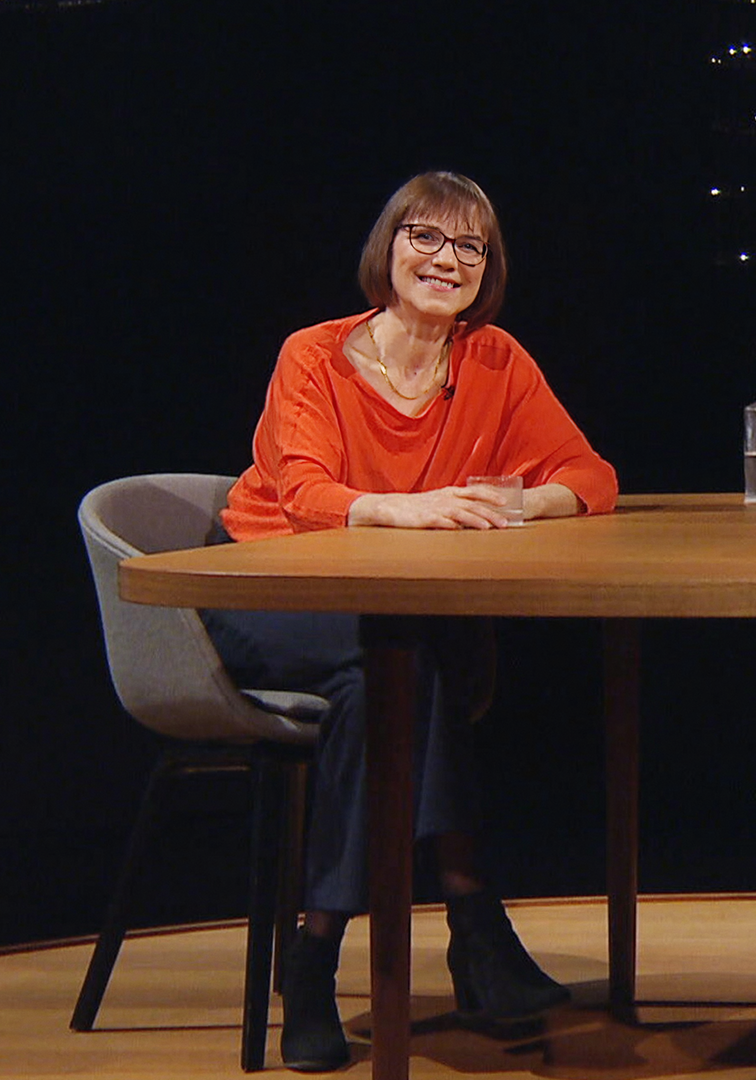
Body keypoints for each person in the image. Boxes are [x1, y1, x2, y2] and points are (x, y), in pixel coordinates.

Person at [205, 171, 618, 1072]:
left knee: (398, 668)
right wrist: (410, 509)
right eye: (425, 238)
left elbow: (591, 477)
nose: (447, 260)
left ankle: (315, 955)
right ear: (386, 249)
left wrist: (514, 503)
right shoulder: (313, 354)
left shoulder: (494, 360)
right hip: (271, 595)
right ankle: (468, 926)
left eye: (470, 247)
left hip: (389, 620)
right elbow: (304, 492)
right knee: (397, 666)